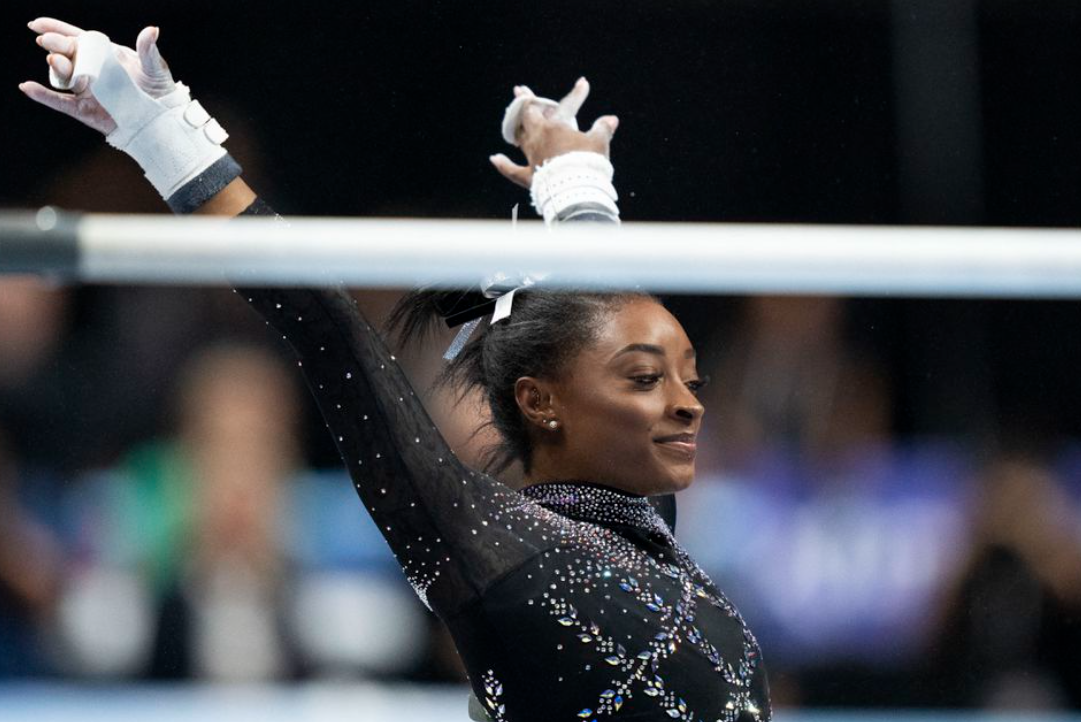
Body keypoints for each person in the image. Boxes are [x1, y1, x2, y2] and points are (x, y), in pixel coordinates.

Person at [22, 18, 770, 721]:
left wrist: (576, 190)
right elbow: (328, 331)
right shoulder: (495, 553)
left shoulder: (643, 531)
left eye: (688, 377)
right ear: (542, 402)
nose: (688, 405)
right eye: (646, 379)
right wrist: (162, 132)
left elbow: (605, 312)